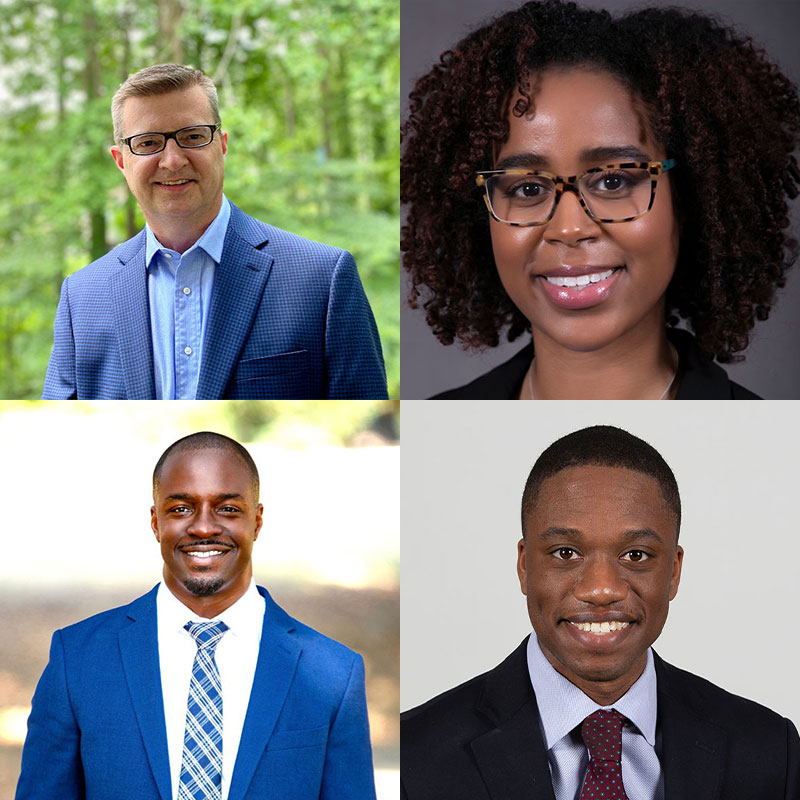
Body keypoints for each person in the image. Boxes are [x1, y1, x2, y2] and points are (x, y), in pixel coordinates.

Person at [401, 0, 800, 399]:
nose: (569, 229)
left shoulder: (779, 456)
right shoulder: (429, 447)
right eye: (527, 188)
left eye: (613, 181)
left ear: (688, 198)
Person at [401, 425, 800, 799]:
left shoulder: (770, 752)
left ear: (674, 572)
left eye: (636, 555)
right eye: (566, 553)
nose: (601, 589)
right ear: (525, 566)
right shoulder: (415, 754)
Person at [16, 431, 376, 800]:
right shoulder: (77, 658)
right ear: (156, 522)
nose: (204, 527)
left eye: (228, 509)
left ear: (257, 521)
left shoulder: (333, 673)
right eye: (181, 509)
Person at [43, 63, 388, 400]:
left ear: (221, 145)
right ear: (121, 160)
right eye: (148, 143)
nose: (173, 160)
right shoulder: (82, 297)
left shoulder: (322, 280)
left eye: (192, 137)